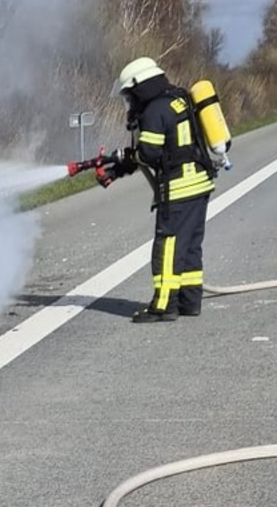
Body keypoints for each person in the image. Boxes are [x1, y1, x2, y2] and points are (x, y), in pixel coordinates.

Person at [108, 57, 215, 323]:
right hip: (199, 183)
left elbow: (148, 153)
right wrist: (119, 167)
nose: (130, 102)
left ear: (140, 87)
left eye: (130, 96)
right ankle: (189, 302)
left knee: (167, 246)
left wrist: (125, 159)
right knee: (189, 246)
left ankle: (164, 305)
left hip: (179, 188)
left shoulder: (155, 110)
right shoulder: (178, 99)